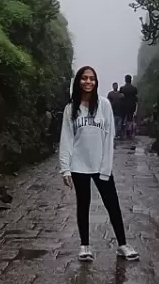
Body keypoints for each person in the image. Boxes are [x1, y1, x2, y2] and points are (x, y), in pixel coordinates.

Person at [59, 65, 139, 262]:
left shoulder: (104, 104)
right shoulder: (71, 109)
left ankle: (123, 245)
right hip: (79, 164)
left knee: (112, 204)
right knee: (83, 204)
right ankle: (84, 246)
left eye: (92, 79)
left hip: (100, 163)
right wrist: (65, 169)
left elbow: (109, 135)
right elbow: (67, 139)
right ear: (78, 81)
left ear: (96, 82)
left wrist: (106, 165)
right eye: (84, 78)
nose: (88, 82)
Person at [121, 73, 139, 139]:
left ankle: (124, 133)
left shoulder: (122, 88)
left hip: (124, 106)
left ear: (125, 80)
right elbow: (135, 96)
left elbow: (121, 97)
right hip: (132, 106)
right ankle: (130, 133)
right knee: (130, 120)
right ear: (130, 80)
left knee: (124, 120)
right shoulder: (134, 88)